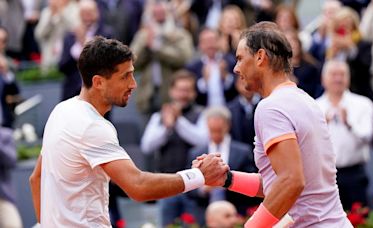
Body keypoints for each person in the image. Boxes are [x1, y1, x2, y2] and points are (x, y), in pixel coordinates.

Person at [29, 36, 228, 227]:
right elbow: (138, 186)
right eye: (125, 76)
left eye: (132, 73)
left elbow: (36, 178)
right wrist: (199, 176)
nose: (133, 84)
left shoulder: (60, 111)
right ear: (98, 82)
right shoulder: (92, 126)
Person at [195, 21, 352, 227]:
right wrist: (227, 179)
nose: (236, 68)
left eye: (240, 59)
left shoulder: (271, 107)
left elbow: (291, 181)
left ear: (260, 57)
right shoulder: (305, 100)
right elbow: (279, 182)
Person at [140, 69, 208, 226]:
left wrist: (178, 121)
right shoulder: (159, 116)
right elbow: (147, 146)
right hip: (167, 184)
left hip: (194, 186)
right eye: (180, 90)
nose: (183, 95)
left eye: (187, 90)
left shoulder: (201, 114)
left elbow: (202, 141)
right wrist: (166, 127)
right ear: (171, 91)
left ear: (194, 93)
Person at [316, 60, 373, 210]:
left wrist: (350, 124)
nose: (338, 79)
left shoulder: (363, 104)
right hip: (324, 176)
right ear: (323, 79)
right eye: (333, 75)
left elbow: (369, 137)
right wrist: (322, 126)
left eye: (342, 74)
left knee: (359, 219)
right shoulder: (314, 106)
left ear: (348, 78)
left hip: (354, 172)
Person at [187, 106, 259, 225]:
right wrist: (203, 189)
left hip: (235, 213)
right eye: (212, 130)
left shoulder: (243, 152)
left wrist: (227, 183)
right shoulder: (195, 153)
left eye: (219, 130)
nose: (215, 134)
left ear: (227, 126)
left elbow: (253, 185)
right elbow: (189, 191)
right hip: (203, 214)